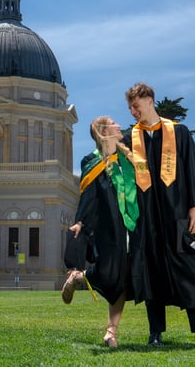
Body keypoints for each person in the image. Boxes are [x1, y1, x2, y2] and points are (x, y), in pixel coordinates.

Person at [123, 82, 195, 350]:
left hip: (178, 216)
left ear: (149, 100)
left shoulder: (179, 133)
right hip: (146, 219)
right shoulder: (129, 139)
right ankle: (155, 333)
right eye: (130, 108)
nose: (133, 112)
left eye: (135, 106)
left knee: (190, 271)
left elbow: (193, 169)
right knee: (151, 272)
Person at [61, 116, 139, 348]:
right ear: (103, 131)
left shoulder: (129, 157)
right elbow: (89, 194)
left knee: (124, 280)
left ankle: (111, 333)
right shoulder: (92, 161)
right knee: (108, 272)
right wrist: (80, 222)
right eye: (113, 123)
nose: (119, 126)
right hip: (108, 225)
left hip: (133, 222)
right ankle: (79, 277)